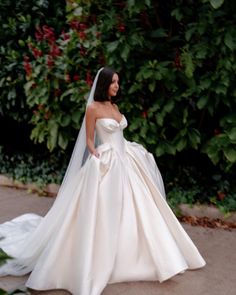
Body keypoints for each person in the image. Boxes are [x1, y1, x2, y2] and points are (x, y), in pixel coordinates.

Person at [0, 67, 206, 295]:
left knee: (140, 207)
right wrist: (95, 154)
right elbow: (89, 139)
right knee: (103, 210)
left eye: (118, 82)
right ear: (104, 84)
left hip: (126, 157)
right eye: (113, 82)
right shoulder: (93, 108)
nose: (117, 86)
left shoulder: (115, 107)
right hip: (107, 160)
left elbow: (119, 133)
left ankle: (149, 256)